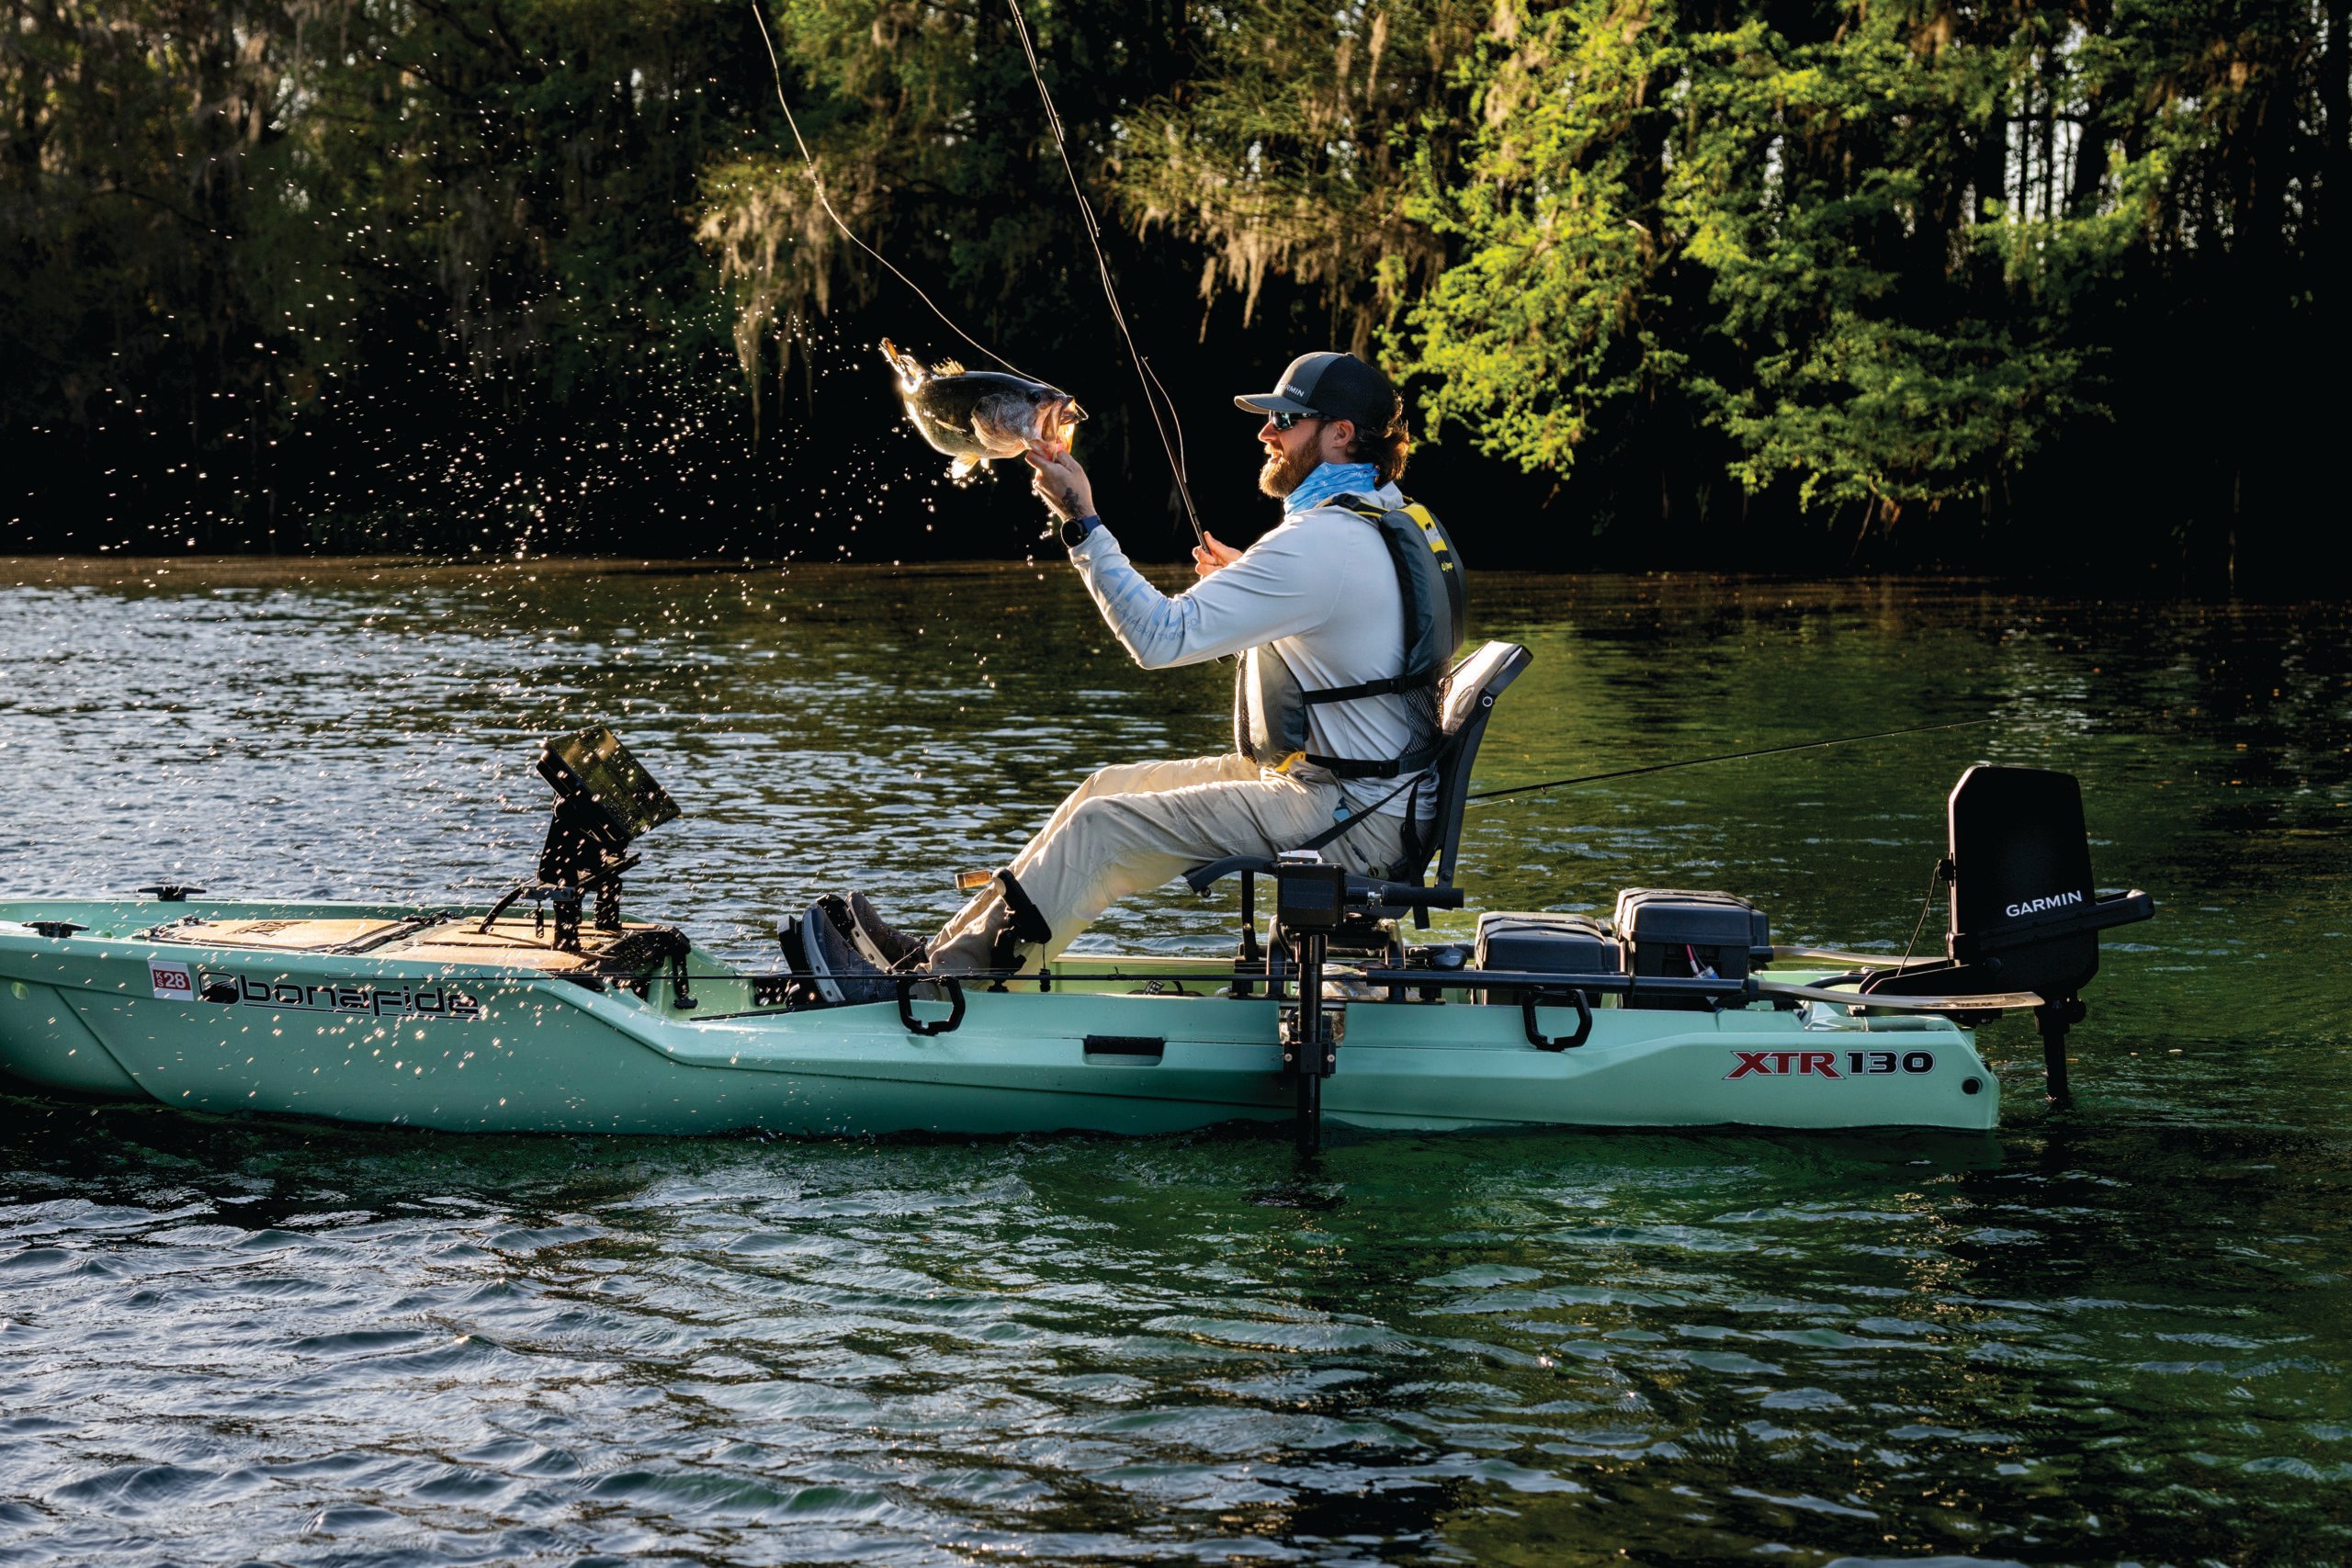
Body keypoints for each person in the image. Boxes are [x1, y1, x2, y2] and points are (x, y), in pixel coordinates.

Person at [794, 349, 1464, 1001]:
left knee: (1103, 828)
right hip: (1371, 796)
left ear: (1341, 435)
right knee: (1102, 790)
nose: (1266, 431)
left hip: (1352, 815)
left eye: (1285, 420)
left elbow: (1159, 638)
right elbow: (1353, 646)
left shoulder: (1321, 543)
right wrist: (1244, 588)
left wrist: (1081, 522)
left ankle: (939, 988)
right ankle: (940, 952)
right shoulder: (1384, 516)